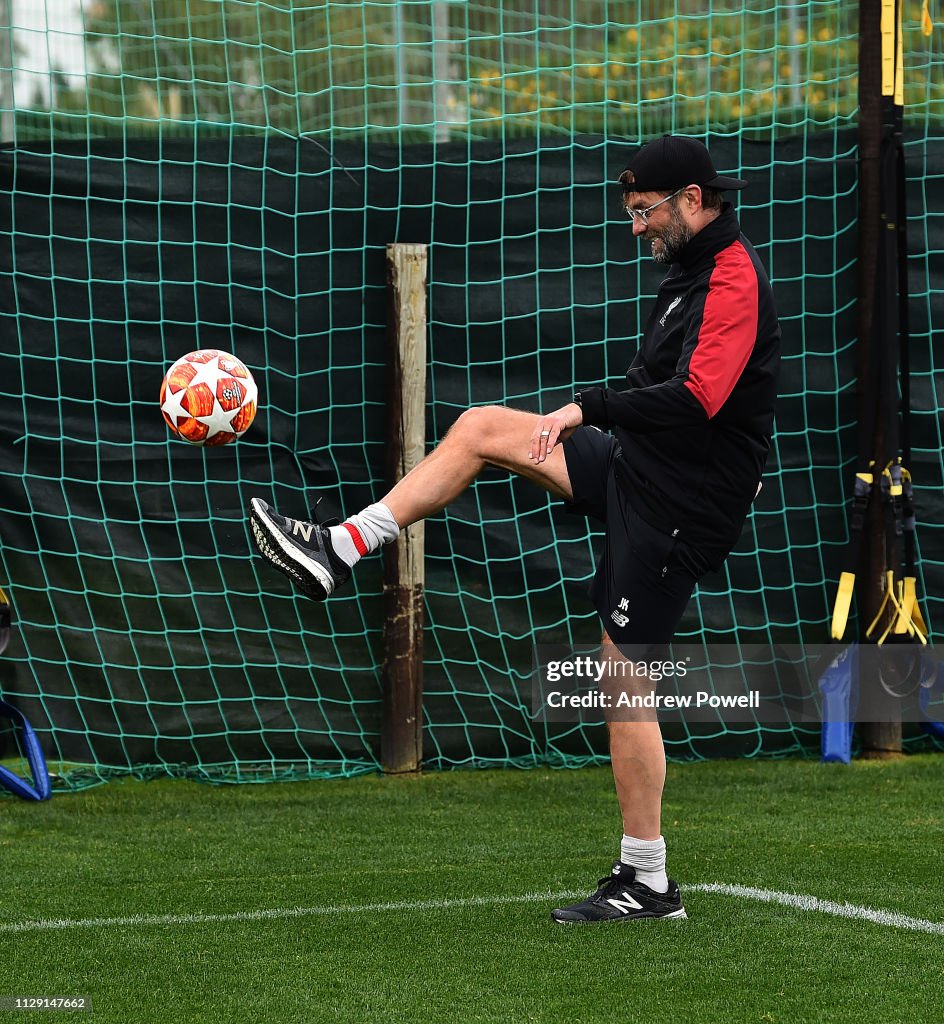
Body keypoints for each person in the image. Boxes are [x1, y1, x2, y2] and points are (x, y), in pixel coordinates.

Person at [248, 134, 781, 924]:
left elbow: (696, 400)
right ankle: (341, 545)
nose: (635, 228)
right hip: (641, 466)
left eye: (644, 213)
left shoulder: (732, 279)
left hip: (682, 504)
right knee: (481, 427)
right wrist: (598, 419)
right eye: (630, 213)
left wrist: (585, 408)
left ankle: (648, 879)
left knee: (622, 676)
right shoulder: (686, 271)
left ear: (692, 201)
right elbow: (659, 390)